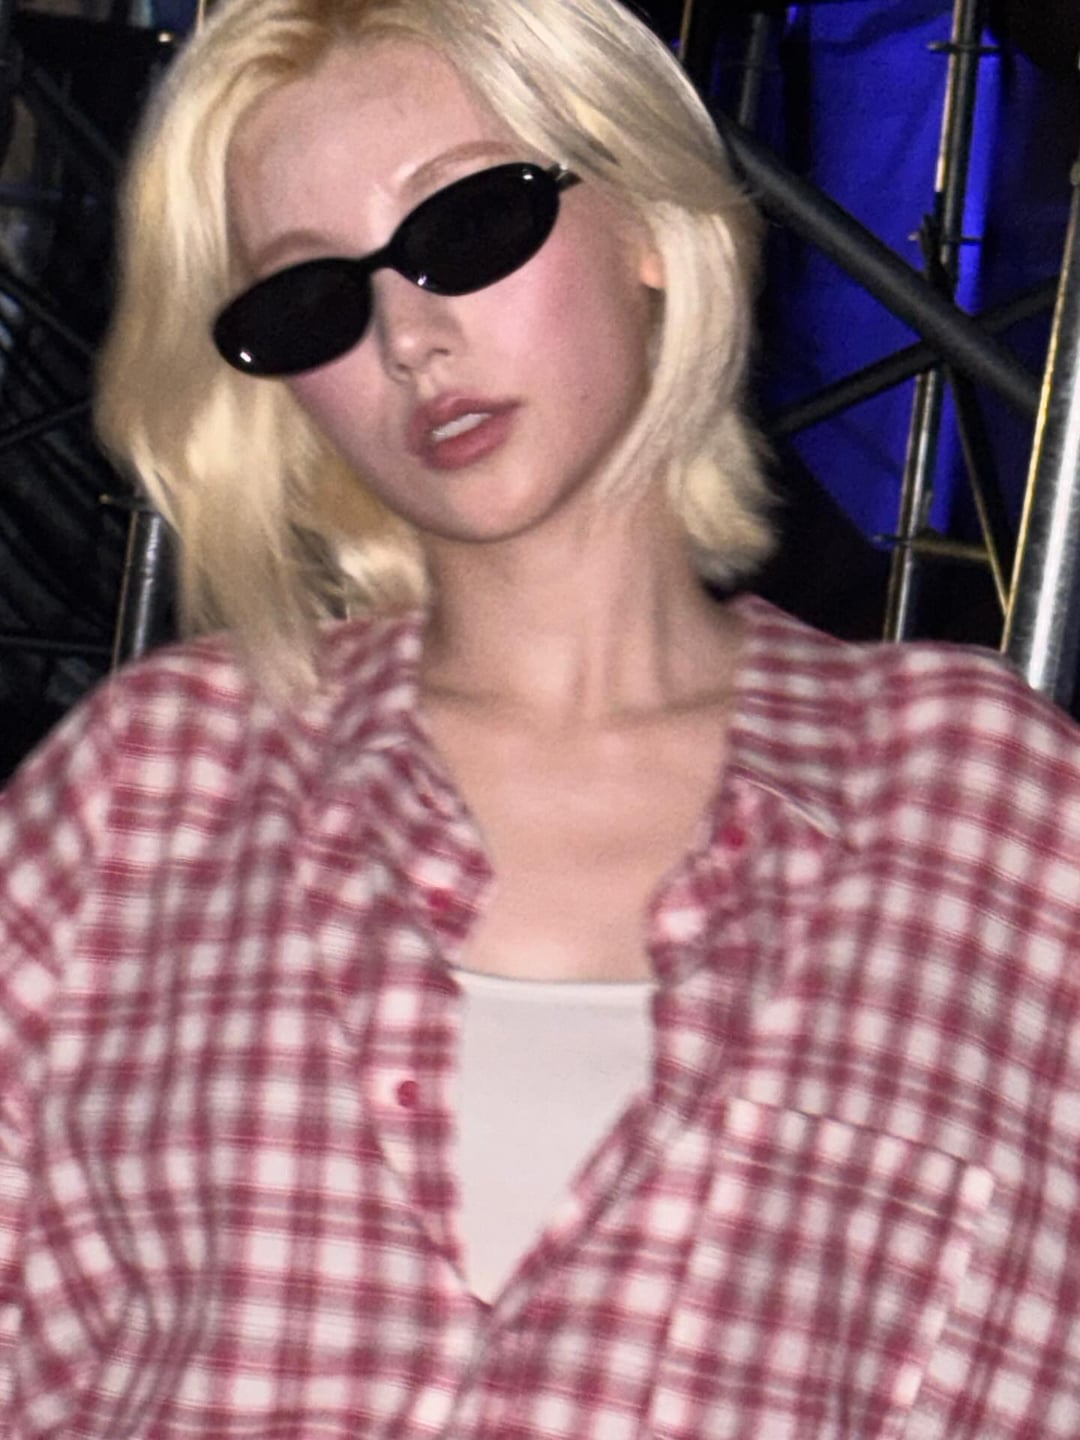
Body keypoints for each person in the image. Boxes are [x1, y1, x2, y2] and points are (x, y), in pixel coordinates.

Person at [0, 0, 1078, 1434]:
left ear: (646, 218)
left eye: (467, 226)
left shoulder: (990, 808)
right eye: (310, 298)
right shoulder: (151, 787)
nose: (408, 335)